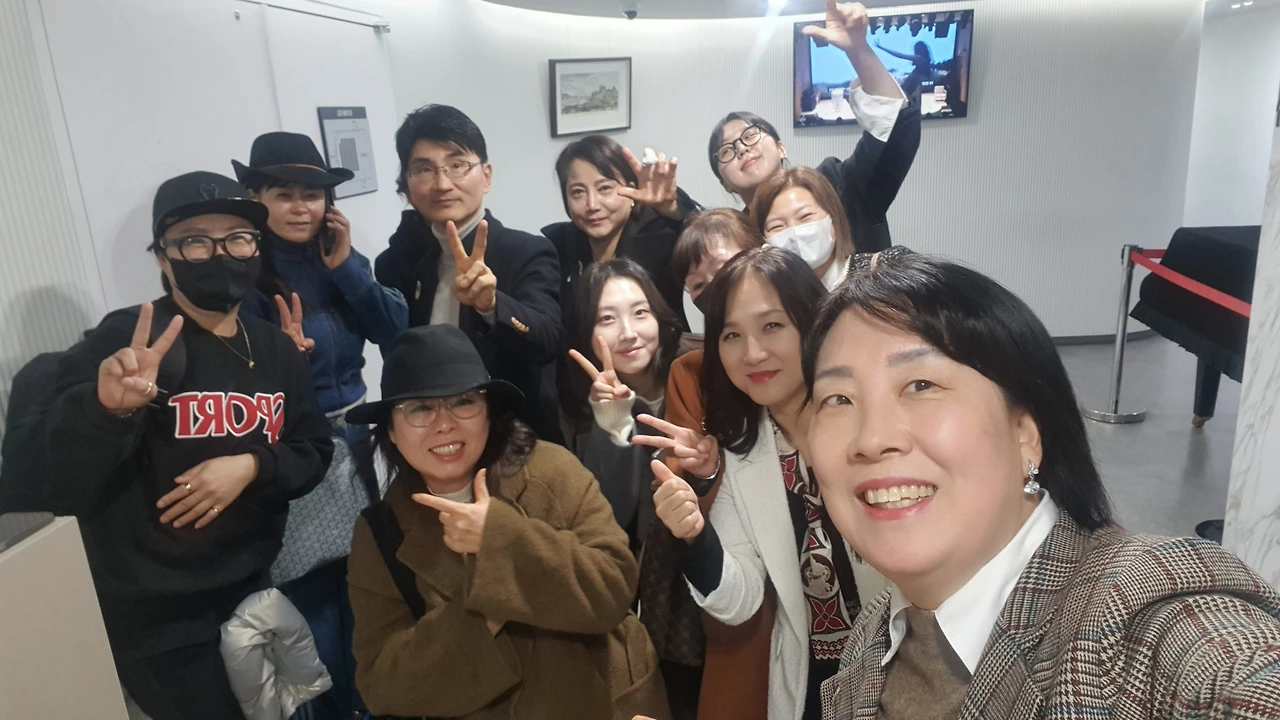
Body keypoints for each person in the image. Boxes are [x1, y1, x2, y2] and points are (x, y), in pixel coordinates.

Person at [805, 254, 1280, 720]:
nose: (871, 439)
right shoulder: (877, 632)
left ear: (1025, 435)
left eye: (921, 385)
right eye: (838, 398)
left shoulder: (1144, 626)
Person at [2, 171, 333, 720]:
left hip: (252, 591)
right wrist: (108, 410)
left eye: (237, 238)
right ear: (163, 256)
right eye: (195, 241)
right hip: (159, 621)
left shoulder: (275, 348)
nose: (220, 254)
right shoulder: (127, 340)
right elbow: (38, 473)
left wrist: (252, 465)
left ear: (256, 247)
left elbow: (313, 449)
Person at [344, 324, 670, 720]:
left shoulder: (551, 470)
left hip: (608, 702)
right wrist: (487, 605)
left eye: (464, 402)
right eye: (420, 409)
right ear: (391, 432)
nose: (444, 424)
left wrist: (502, 541)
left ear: (488, 412)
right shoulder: (381, 533)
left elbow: (613, 588)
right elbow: (383, 686)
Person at [641, 247, 887, 720]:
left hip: (905, 658)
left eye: (772, 325)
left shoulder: (872, 423)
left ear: (812, 322)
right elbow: (740, 601)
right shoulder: (742, 452)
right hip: (811, 681)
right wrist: (695, 536)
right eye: (732, 335)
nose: (752, 353)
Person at [234, 130, 408, 718]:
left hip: (360, 441)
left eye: (312, 194)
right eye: (284, 194)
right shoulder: (244, 280)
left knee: (374, 585)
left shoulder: (338, 260)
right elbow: (235, 384)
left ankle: (378, 703)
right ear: (254, 198)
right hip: (296, 449)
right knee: (314, 604)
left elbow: (397, 334)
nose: (301, 207)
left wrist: (348, 270)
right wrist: (283, 360)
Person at [560, 258, 702, 719]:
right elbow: (613, 516)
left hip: (717, 571)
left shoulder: (699, 369)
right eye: (607, 318)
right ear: (587, 333)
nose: (627, 332)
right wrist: (613, 422)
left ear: (659, 315)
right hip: (660, 602)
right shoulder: (580, 409)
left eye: (640, 313)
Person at [375, 104, 565, 444]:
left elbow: (547, 339)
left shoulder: (526, 251)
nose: (442, 183)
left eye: (457, 165)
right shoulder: (399, 264)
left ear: (486, 176)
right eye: (424, 169)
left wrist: (492, 305)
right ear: (407, 183)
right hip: (430, 440)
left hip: (511, 438)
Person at [709, 0, 920, 254]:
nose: (742, 148)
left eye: (750, 135)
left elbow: (893, 129)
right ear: (725, 184)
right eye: (727, 151)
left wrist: (858, 51)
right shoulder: (735, 242)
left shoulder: (837, 186)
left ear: (781, 148)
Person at [543, 134, 700, 331]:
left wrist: (673, 209)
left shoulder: (661, 236)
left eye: (604, 188)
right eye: (578, 192)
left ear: (631, 191)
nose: (592, 205)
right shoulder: (558, 247)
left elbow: (710, 240)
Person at [749, 168, 856, 292]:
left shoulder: (872, 273)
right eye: (777, 226)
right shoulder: (770, 298)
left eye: (805, 216)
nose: (795, 232)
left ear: (832, 217)